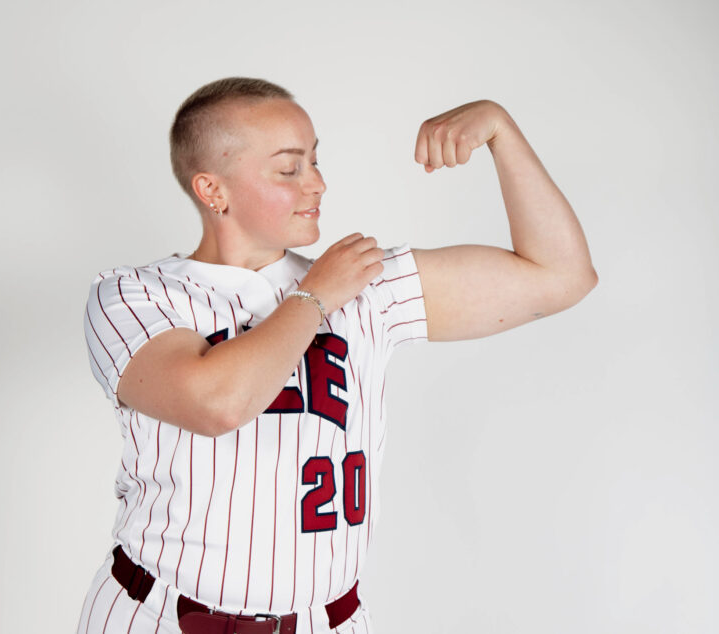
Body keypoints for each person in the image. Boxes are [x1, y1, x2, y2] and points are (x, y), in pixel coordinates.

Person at [77, 77, 597, 634]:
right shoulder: (135, 294)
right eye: (289, 168)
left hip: (326, 621)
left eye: (316, 162)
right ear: (212, 190)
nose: (317, 184)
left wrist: (500, 128)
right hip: (159, 615)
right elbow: (216, 403)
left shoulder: (366, 287)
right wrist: (317, 295)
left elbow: (561, 275)